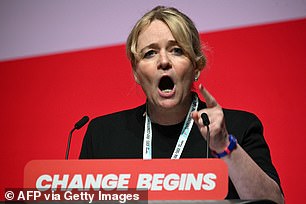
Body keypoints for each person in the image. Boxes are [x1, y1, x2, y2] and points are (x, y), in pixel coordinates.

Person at [80, 6, 284, 203]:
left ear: (196, 66)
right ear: (136, 72)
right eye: (150, 53)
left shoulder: (238, 127)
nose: (164, 61)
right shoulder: (102, 136)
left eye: (176, 50)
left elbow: (273, 202)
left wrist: (224, 146)